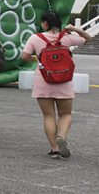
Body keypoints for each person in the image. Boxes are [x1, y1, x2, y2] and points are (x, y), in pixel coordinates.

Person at [21, 12, 91, 159]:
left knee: (48, 115)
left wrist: (39, 58)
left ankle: (54, 149)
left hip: (43, 80)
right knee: (65, 114)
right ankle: (62, 136)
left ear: (44, 23)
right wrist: (74, 28)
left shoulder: (35, 38)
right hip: (64, 80)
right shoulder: (67, 38)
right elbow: (88, 38)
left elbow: (24, 56)